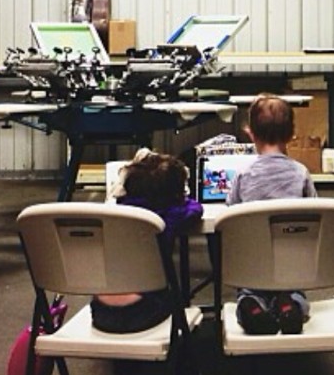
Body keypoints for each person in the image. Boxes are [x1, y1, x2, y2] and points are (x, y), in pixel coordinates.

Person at [227, 94, 317, 335]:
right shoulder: (301, 173)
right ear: (291, 135)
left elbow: (229, 219)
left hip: (252, 264)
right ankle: (290, 304)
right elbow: (315, 214)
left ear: (251, 133)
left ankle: (252, 307)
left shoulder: (243, 174)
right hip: (292, 262)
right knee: (294, 291)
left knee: (249, 291)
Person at [90, 148, 202, 334]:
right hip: (143, 311)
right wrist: (182, 200)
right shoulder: (171, 214)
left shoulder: (120, 209)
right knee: (176, 296)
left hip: (101, 312)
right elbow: (196, 209)